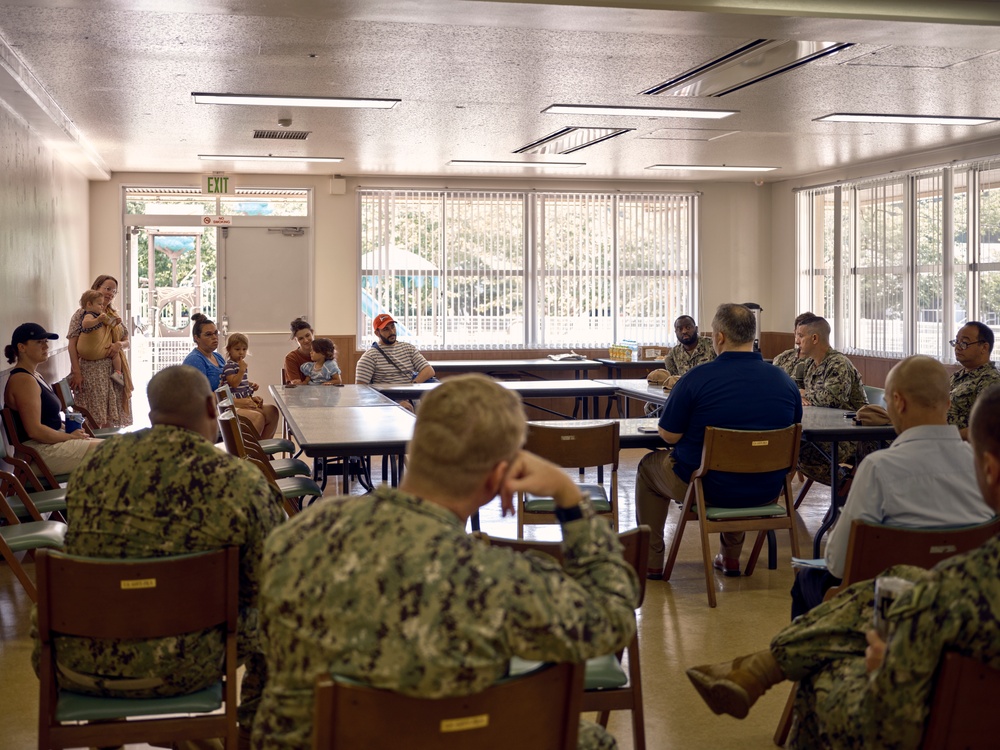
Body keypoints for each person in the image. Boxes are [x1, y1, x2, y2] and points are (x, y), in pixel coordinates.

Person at [251, 374, 640, 750]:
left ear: (413, 448)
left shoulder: (293, 539)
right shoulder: (501, 581)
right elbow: (613, 618)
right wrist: (568, 498)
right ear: (498, 478)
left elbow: (262, 674)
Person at [686, 383, 1000, 750]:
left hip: (946, 716)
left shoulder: (955, 593)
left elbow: (894, 719)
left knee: (826, 664)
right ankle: (760, 666)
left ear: (990, 469)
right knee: (900, 579)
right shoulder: (958, 581)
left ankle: (769, 666)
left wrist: (891, 661)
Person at [34, 365, 284, 747]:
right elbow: (264, 587)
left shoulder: (95, 466)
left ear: (151, 415)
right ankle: (247, 731)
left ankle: (109, 733)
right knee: (276, 607)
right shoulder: (241, 482)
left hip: (80, 661)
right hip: (190, 664)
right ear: (211, 407)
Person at [789, 355, 994, 617]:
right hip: (964, 601)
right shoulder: (981, 468)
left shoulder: (878, 469)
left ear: (898, 401)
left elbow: (839, 563)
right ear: (948, 403)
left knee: (808, 577)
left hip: (888, 603)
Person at [636, 303, 802, 579]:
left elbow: (668, 434)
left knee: (647, 469)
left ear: (720, 337)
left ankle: (651, 561)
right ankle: (730, 558)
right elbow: (795, 429)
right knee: (743, 463)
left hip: (706, 487)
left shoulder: (696, 378)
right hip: (767, 488)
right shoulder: (784, 381)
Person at [3, 323, 102, 475]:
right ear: (22, 347)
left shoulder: (35, 376)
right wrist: (68, 436)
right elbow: (35, 431)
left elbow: (48, 421)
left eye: (46, 342)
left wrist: (70, 432)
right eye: (39, 342)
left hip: (48, 445)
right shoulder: (23, 380)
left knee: (114, 449)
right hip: (37, 453)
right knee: (113, 452)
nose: (45, 346)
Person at [795, 315, 868, 485]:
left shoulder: (838, 363)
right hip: (828, 428)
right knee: (794, 449)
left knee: (804, 454)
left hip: (853, 435)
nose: (797, 341)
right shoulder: (810, 365)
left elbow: (833, 398)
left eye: (801, 336)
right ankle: (846, 485)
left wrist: (806, 395)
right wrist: (802, 394)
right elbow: (802, 392)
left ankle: (849, 487)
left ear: (814, 338)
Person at [183, 314, 276, 439]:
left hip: (227, 402)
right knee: (257, 417)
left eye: (216, 333)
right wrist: (237, 402)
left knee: (271, 412)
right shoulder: (195, 360)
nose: (215, 337)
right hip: (212, 410)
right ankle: (245, 457)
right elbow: (202, 397)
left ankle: (263, 455)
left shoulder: (218, 357)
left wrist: (248, 394)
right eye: (208, 334)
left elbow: (231, 382)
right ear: (196, 338)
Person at [66, 274, 133, 428]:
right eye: (107, 288)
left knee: (111, 417)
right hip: (90, 372)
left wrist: (118, 345)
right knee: (92, 418)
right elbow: (72, 346)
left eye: (114, 291)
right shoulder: (82, 314)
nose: (110, 293)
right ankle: (93, 449)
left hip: (114, 373)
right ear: (96, 288)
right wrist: (76, 372)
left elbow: (127, 341)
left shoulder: (113, 315)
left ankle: (108, 448)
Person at [947, 320, 1000, 439]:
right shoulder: (958, 375)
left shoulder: (991, 381)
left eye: (964, 342)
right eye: (957, 342)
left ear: (984, 347)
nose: (957, 347)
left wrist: (946, 438)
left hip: (963, 450)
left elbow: (986, 428)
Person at [222, 332, 281, 438]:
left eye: (244, 349)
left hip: (245, 396)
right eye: (237, 349)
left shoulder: (240, 365)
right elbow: (234, 383)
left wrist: (250, 384)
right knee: (258, 413)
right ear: (229, 349)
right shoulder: (229, 366)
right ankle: (254, 450)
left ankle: (264, 451)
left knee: (269, 411)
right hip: (234, 400)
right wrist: (241, 370)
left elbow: (241, 381)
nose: (241, 353)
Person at [355, 313, 435, 385]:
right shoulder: (370, 357)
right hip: (387, 399)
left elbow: (428, 370)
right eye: (386, 329)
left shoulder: (408, 348)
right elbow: (360, 388)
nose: (391, 331)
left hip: (412, 395)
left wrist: (412, 386)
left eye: (392, 326)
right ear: (377, 333)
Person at [76, 289, 126, 386]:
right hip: (89, 359)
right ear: (89, 304)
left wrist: (116, 322)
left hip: (100, 354)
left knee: (116, 354)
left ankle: (118, 373)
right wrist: (98, 320)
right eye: (99, 304)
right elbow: (85, 324)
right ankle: (118, 373)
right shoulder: (89, 315)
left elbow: (110, 323)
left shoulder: (100, 315)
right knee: (115, 355)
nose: (102, 306)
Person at [771, 311, 817, 387]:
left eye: (801, 336)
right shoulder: (783, 357)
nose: (797, 341)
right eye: (797, 334)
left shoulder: (819, 362)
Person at [283, 317, 314, 385]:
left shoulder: (324, 353)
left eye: (307, 335)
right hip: (300, 394)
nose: (306, 340)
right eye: (301, 338)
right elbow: (297, 386)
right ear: (295, 340)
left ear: (312, 333)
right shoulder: (291, 358)